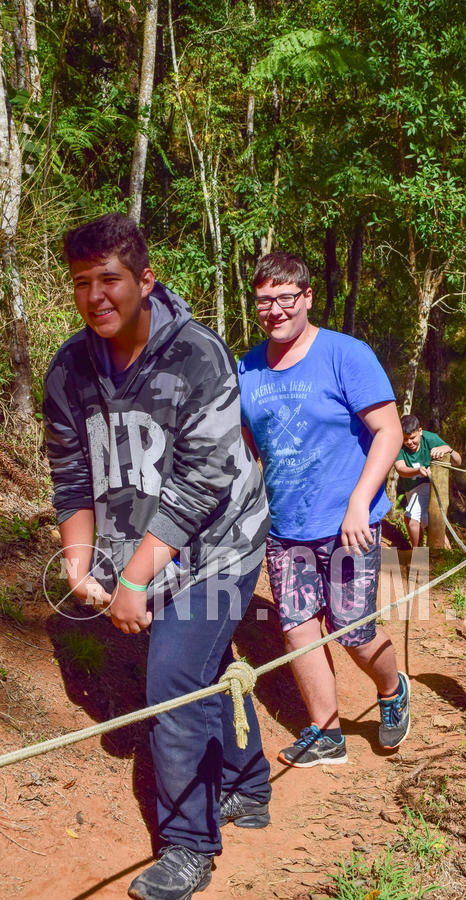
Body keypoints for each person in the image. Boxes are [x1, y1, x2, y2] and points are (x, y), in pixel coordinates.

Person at [43, 213, 272, 900]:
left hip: (222, 545)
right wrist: (80, 564)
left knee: (173, 678)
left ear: (145, 280)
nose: (95, 296)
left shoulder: (198, 354)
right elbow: (71, 478)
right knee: (201, 667)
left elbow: (203, 482)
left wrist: (135, 579)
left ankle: (188, 847)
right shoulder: (68, 370)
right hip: (142, 541)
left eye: (109, 278)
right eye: (81, 282)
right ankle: (247, 784)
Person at [238, 251, 409, 768]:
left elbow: (389, 431)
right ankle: (326, 732)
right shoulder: (247, 367)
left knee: (353, 627)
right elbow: (251, 446)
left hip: (348, 523)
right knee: (298, 625)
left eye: (286, 298)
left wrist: (360, 502)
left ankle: (392, 688)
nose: (275, 310)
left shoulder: (346, 355)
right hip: (285, 526)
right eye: (264, 301)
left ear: (307, 297)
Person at [394, 414, 462, 548]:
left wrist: (448, 449)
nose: (409, 442)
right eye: (405, 439)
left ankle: (418, 554)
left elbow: (458, 461)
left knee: (411, 519)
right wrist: (418, 470)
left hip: (430, 485)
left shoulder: (430, 438)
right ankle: (444, 553)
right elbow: (400, 469)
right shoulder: (397, 444)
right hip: (411, 489)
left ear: (420, 431)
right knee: (428, 522)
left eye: (412, 438)